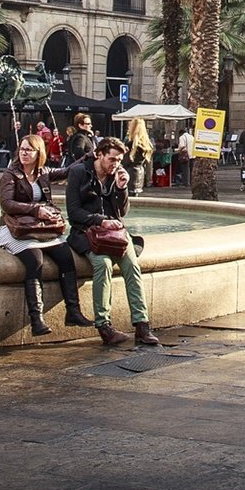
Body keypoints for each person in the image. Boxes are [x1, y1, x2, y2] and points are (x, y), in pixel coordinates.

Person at [66, 136, 159, 346]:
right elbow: (73, 212)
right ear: (99, 154)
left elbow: (122, 212)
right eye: (112, 159)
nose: (115, 164)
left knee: (133, 266)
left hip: (115, 236)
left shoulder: (115, 175)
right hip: (87, 233)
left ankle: (142, 324)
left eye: (119, 160)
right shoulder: (79, 172)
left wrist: (121, 188)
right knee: (103, 264)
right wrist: (100, 220)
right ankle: (104, 325)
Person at [0, 134, 93, 335]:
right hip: (17, 229)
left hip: (41, 228)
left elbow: (67, 171)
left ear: (38, 153)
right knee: (35, 262)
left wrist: (91, 156)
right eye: (22, 149)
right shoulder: (10, 174)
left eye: (29, 150)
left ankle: (73, 312)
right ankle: (36, 320)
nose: (24, 153)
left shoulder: (43, 173)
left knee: (67, 258)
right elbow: (6, 204)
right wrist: (35, 209)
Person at [123, 117, 153, 195]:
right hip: (139, 174)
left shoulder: (132, 145)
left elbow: (126, 161)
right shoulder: (144, 144)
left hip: (130, 174)